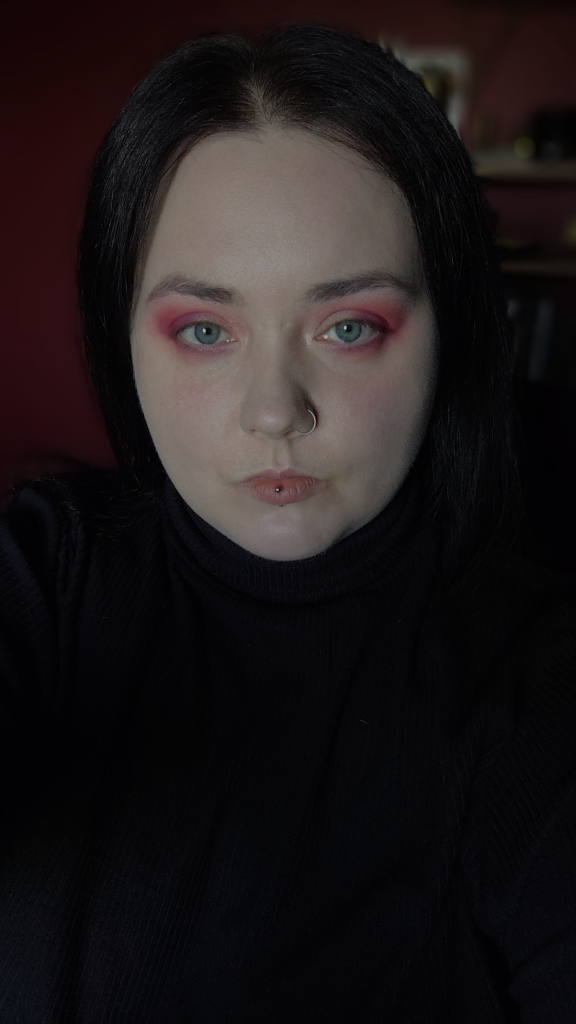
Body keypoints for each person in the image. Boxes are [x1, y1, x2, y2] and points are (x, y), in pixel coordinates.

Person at [0, 24, 575, 1024]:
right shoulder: (47, 575)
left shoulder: (536, 674)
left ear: (450, 329)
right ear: (121, 331)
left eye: (349, 327)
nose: (275, 412)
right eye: (204, 330)